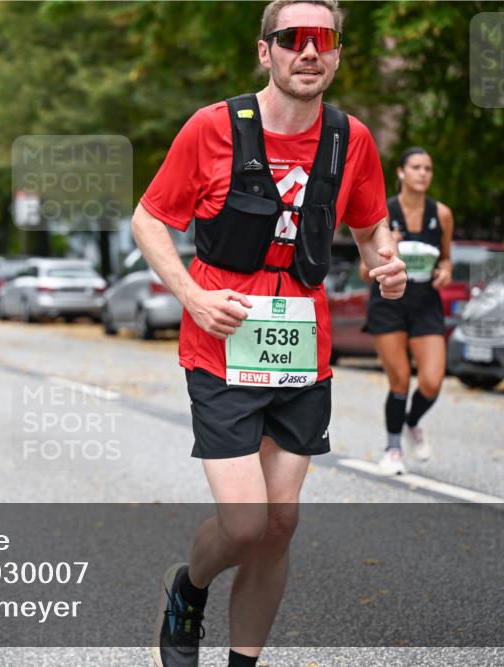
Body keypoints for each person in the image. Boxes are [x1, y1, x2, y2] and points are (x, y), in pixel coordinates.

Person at [130, 2, 408, 666]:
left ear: (338, 53)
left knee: (280, 525)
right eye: (293, 39)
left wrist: (384, 262)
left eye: (324, 40)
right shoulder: (212, 127)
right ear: (267, 52)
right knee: (245, 522)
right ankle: (188, 588)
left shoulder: (351, 140)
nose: (309, 52)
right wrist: (193, 296)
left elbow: (370, 227)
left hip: (301, 352)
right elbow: (148, 219)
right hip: (221, 347)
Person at [361, 147, 453, 475]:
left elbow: (444, 258)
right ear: (401, 172)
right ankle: (392, 449)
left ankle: (412, 423)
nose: (423, 173)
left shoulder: (441, 214)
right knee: (399, 378)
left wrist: (445, 271)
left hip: (426, 303)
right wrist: (387, 249)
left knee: (431, 382)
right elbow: (363, 272)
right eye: (416, 167)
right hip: (389, 302)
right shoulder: (382, 212)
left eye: (428, 168)